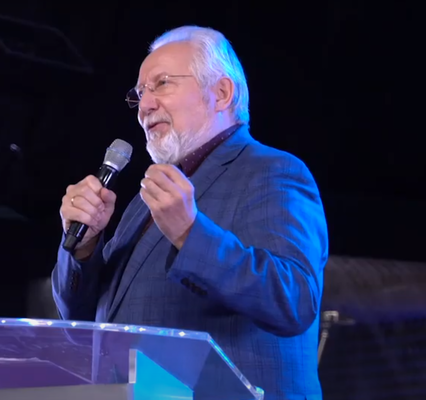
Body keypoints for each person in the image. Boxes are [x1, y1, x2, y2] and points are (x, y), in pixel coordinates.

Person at [51, 25, 329, 399]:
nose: (144, 106)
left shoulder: (273, 171)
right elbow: (83, 322)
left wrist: (190, 234)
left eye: (162, 84)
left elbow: (294, 301)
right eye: (140, 94)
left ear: (221, 93)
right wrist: (84, 249)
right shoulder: (146, 199)